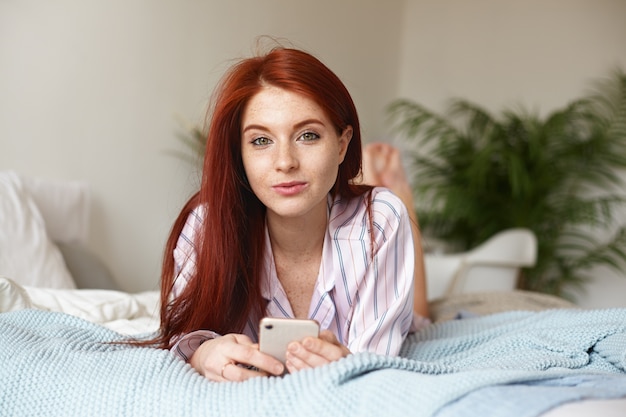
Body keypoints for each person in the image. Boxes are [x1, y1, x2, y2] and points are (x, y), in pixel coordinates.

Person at [152, 46, 429, 382]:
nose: (285, 162)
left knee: (420, 316)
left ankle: (398, 189)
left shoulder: (379, 219)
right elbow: (182, 334)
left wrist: (348, 364)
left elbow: (376, 362)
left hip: (385, 244)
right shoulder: (205, 224)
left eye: (308, 135)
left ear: (342, 145)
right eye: (260, 141)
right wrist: (203, 353)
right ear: (238, 154)